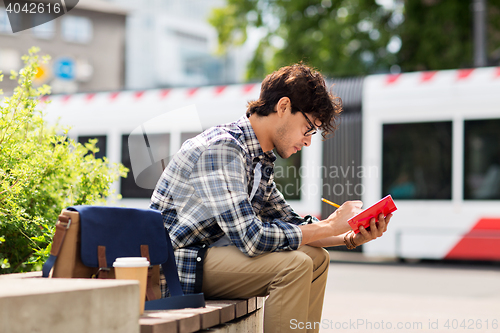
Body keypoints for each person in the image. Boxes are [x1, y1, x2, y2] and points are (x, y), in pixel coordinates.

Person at [150, 63, 392, 333]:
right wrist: (329, 226)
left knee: (317, 257)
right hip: (177, 265)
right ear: (283, 106)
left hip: (208, 257)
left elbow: (292, 223)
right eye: (308, 128)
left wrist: (349, 235)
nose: (309, 141)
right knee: (294, 265)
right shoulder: (222, 148)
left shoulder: (259, 160)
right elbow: (252, 239)